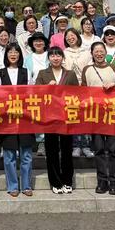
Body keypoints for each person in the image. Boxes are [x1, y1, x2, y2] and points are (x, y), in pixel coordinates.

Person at [81, 42, 115, 195]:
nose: (99, 54)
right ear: (92, 53)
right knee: (99, 149)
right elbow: (82, 91)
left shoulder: (113, 68)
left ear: (105, 52)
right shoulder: (87, 70)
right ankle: (102, 181)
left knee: (113, 150)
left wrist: (114, 84)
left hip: (112, 114)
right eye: (96, 51)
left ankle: (114, 182)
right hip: (95, 115)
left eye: (101, 51)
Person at [0, 44, 35, 197]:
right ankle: (12, 186)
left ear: (20, 55)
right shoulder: (0, 74)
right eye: (10, 52)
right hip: (7, 119)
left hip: (24, 118)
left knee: (26, 154)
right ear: (6, 55)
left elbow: (32, 94)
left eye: (16, 52)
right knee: (10, 155)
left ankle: (26, 185)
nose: (13, 54)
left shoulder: (26, 72)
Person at [36, 47, 79, 193]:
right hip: (50, 117)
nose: (55, 58)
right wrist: (47, 88)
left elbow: (78, 94)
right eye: (52, 55)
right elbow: (36, 94)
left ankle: (67, 180)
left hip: (67, 117)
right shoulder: (43, 74)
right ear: (49, 58)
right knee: (52, 149)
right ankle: (55, 182)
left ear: (62, 58)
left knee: (67, 149)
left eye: (58, 55)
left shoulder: (70, 74)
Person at [63, 29, 94, 159]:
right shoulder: (64, 52)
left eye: (73, 35)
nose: (71, 38)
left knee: (86, 116)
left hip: (84, 87)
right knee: (73, 116)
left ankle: (86, 145)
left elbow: (90, 68)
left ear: (77, 36)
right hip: (70, 88)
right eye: (68, 36)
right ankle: (76, 145)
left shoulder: (86, 52)